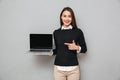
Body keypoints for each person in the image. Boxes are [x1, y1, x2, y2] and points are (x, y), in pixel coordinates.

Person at [53, 7, 87, 80]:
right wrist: (46, 51)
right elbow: (57, 50)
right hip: (58, 70)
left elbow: (84, 49)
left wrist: (77, 48)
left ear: (72, 18)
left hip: (73, 70)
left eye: (69, 16)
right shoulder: (56, 33)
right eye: (64, 16)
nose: (67, 19)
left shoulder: (78, 32)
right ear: (61, 17)